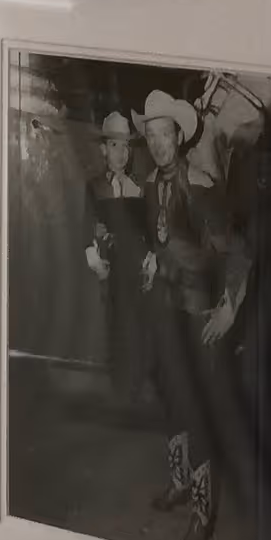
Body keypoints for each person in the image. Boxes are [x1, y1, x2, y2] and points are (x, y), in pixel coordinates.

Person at [135, 89, 250, 540]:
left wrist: (229, 308)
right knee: (171, 396)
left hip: (199, 314)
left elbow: (239, 251)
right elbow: (163, 239)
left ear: (180, 137)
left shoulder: (199, 185)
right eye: (152, 135)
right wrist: (150, 259)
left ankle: (202, 516)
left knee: (200, 412)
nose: (159, 143)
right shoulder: (147, 186)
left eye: (166, 134)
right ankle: (180, 483)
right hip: (164, 309)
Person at [84, 111, 150, 408]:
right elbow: (86, 229)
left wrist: (148, 261)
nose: (121, 153)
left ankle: (134, 386)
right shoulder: (95, 186)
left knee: (134, 326)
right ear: (103, 149)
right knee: (113, 324)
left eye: (126, 147)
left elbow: (147, 232)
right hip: (108, 270)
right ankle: (118, 385)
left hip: (134, 270)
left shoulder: (140, 187)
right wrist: (95, 261)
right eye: (114, 146)